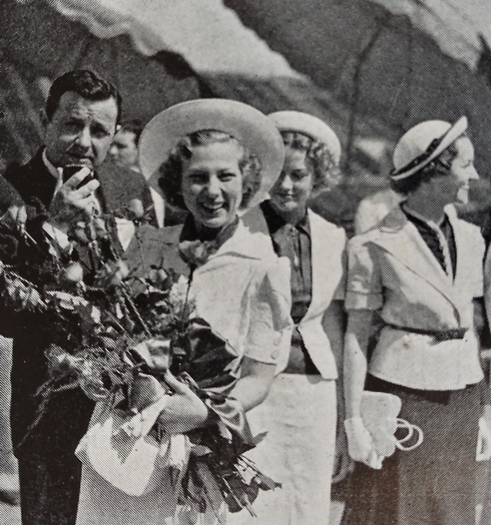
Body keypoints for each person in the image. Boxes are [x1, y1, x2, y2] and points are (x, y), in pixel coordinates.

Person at [75, 98, 292, 525]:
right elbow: (112, 332)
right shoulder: (147, 245)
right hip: (126, 440)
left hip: (199, 447)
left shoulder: (262, 267)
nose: (212, 191)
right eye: (197, 177)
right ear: (178, 182)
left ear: (246, 181)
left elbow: (259, 377)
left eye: (225, 176)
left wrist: (205, 413)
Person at [343, 117, 485, 525]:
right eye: (465, 164)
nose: (474, 175)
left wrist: (487, 406)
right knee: (399, 510)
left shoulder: (473, 238)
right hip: (404, 393)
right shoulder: (372, 245)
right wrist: (353, 419)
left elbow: (472, 325)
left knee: (453, 511)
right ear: (433, 172)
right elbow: (356, 336)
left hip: (462, 394)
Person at [0, 69, 125, 525]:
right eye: (72, 124)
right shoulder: (8, 190)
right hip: (48, 403)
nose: (84, 142)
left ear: (115, 135)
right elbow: (5, 315)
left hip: (123, 407)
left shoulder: (129, 191)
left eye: (99, 131)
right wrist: (52, 227)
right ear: (44, 120)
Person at [232, 111, 346, 525]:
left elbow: (332, 325)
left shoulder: (334, 238)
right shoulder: (238, 229)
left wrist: (343, 416)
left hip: (315, 394)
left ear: (317, 177)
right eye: (277, 173)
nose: (286, 185)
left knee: (307, 502)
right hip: (254, 387)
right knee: (253, 506)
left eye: (298, 175)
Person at [107, 119, 162, 229]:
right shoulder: (110, 180)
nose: (112, 151)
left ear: (140, 149)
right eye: (111, 144)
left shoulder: (153, 189)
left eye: (121, 146)